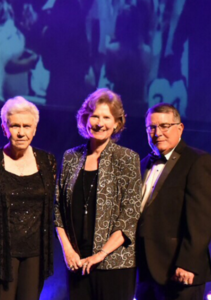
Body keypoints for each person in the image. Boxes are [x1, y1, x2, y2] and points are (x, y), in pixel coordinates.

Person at [55, 88, 142, 300]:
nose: (99, 123)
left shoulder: (127, 158)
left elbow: (130, 216)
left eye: (106, 117)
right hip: (77, 263)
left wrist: (101, 254)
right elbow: (58, 210)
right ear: (85, 119)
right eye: (94, 116)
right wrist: (68, 251)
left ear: (116, 123)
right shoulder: (71, 157)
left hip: (115, 265)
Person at [0, 96, 56, 299]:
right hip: (0, 254)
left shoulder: (47, 162)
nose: (20, 132)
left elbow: (50, 207)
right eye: (14, 126)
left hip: (35, 254)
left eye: (26, 126)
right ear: (4, 128)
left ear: (35, 129)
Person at [136, 103, 211, 300]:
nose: (157, 132)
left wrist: (188, 263)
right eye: (152, 127)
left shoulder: (197, 161)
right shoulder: (142, 164)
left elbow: (202, 220)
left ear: (179, 128)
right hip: (145, 272)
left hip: (179, 270)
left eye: (165, 126)